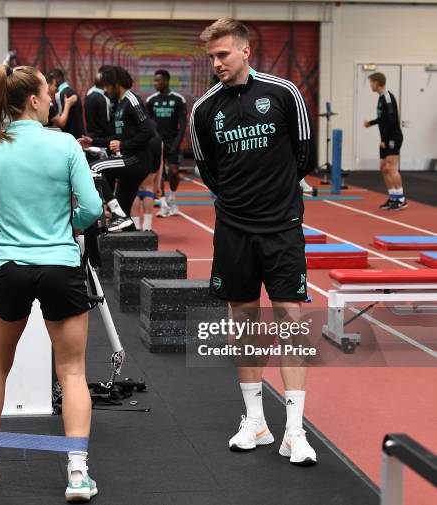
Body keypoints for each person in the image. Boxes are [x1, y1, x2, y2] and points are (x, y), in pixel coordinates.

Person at [0, 64, 103, 502]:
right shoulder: (64, 145)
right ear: (34, 101)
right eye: (48, 94)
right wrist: (63, 228)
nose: (53, 100)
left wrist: (4, 233)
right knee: (72, 371)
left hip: (10, 268)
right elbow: (91, 209)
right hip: (60, 265)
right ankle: (77, 474)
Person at [190, 19, 318, 466]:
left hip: (282, 228)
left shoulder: (284, 94)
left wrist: (276, 196)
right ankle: (256, 422)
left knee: (290, 321)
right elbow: (208, 171)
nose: (216, 63)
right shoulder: (204, 109)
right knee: (242, 323)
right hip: (233, 230)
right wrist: (241, 201)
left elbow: (304, 156)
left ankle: (295, 431)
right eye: (211, 57)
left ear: (245, 51)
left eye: (223, 54)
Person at [79, 66, 158, 232]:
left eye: (107, 85)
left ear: (116, 83)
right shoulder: (119, 104)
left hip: (137, 160)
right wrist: (93, 141)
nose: (106, 90)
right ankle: (128, 230)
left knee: (94, 168)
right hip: (129, 159)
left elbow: (148, 131)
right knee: (124, 215)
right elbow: (117, 138)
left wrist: (123, 145)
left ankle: (115, 212)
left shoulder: (131, 100)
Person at [146, 69, 187, 217]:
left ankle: (172, 197)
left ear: (166, 81)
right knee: (159, 175)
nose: (155, 83)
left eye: (158, 80)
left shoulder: (178, 99)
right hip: (157, 143)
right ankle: (163, 205)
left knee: (174, 172)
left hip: (173, 142)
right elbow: (147, 124)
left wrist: (176, 144)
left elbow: (183, 125)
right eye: (154, 80)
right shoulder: (151, 100)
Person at [363, 72, 406, 210]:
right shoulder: (381, 98)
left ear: (377, 82)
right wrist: (371, 122)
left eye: (371, 82)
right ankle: (393, 197)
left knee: (391, 167)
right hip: (385, 139)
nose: (370, 85)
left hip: (393, 137)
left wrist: (385, 140)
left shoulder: (387, 97)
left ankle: (401, 199)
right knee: (383, 168)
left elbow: (392, 120)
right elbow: (383, 118)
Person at [47, 68, 85, 139]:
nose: (55, 87)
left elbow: (61, 122)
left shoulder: (59, 94)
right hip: (78, 135)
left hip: (69, 136)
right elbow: (60, 121)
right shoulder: (73, 91)